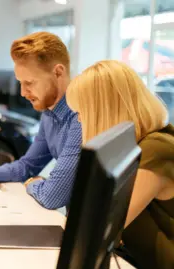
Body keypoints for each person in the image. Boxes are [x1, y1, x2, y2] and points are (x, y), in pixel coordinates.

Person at [0, 32, 82, 210]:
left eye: (29, 82)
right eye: (20, 83)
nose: (22, 92)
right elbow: (28, 165)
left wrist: (33, 182)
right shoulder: (49, 114)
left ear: (58, 72)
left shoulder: (80, 117)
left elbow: (52, 196)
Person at [66, 60, 174, 269]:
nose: (79, 120)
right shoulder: (141, 145)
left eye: (81, 112)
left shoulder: (154, 150)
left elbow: (98, 228)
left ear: (101, 112)